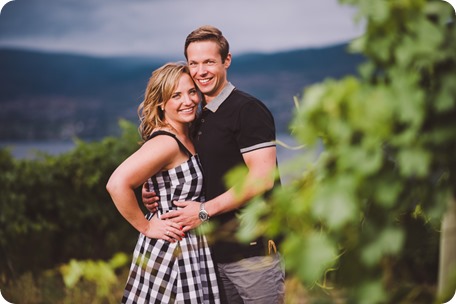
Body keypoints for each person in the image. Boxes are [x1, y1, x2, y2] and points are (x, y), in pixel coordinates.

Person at [143, 26, 285, 304]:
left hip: (253, 253)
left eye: (209, 61)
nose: (201, 71)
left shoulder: (247, 110)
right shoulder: (198, 118)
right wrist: (155, 191)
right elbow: (199, 173)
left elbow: (263, 178)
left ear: (226, 61)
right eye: (193, 63)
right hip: (209, 255)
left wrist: (204, 212)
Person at [106, 62, 220, 304]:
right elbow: (117, 184)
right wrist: (147, 227)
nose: (188, 100)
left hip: (192, 244)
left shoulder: (187, 134)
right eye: (176, 95)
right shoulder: (166, 142)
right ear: (161, 102)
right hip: (172, 247)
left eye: (191, 91)